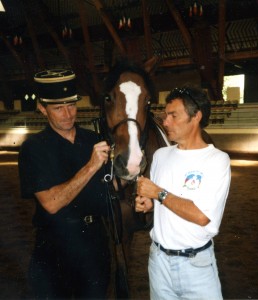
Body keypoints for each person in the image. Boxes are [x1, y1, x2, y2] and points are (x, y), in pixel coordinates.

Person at [18, 69, 112, 299]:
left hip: (95, 242)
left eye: (71, 105)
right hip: (54, 247)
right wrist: (91, 166)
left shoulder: (93, 140)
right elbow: (50, 203)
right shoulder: (34, 148)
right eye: (58, 108)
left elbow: (112, 190)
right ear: (42, 108)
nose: (68, 114)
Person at [135, 86, 231, 300]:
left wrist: (158, 193)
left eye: (173, 115)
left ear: (196, 116)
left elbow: (202, 216)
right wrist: (150, 204)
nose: (165, 121)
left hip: (196, 265)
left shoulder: (216, 160)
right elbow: (163, 201)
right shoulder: (160, 155)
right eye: (165, 115)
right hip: (158, 262)